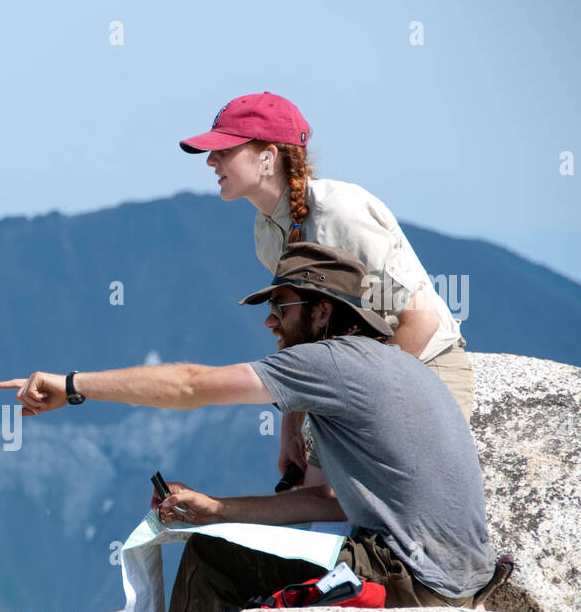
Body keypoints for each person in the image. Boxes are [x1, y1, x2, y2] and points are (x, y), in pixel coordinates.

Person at [0, 242, 495, 612]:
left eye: (282, 307)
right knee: (221, 539)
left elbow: (192, 385)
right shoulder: (394, 365)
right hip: (458, 584)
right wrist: (216, 509)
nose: (270, 322)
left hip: (409, 580)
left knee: (213, 560)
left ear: (322, 312)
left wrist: (73, 385)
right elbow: (330, 503)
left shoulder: (330, 363)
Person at [178, 91, 473, 487]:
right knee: (318, 509)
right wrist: (291, 428)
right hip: (358, 376)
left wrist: (361, 402)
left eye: (224, 149)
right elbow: (300, 332)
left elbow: (419, 320)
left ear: (268, 157)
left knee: (377, 516)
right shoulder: (266, 230)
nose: (211, 160)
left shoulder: (341, 212)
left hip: (422, 369)